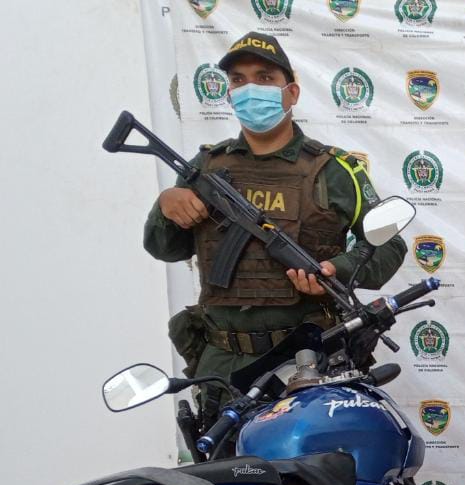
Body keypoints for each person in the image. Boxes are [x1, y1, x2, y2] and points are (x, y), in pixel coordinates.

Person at [144, 32, 405, 418]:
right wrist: (166, 205)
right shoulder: (205, 168)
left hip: (307, 360)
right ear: (229, 94)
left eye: (265, 78)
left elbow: (389, 245)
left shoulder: (333, 169)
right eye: (239, 80)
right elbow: (164, 249)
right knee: (224, 457)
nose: (251, 89)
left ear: (292, 92)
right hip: (222, 365)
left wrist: (338, 269)